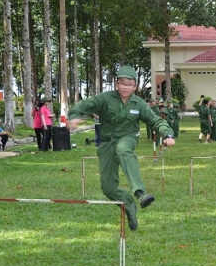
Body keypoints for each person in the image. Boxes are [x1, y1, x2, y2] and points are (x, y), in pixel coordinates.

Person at [67, 65, 175, 231]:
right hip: (106, 142)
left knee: (123, 149)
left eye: (130, 84)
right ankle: (128, 204)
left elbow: (155, 121)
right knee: (108, 188)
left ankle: (140, 192)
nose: (126, 87)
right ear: (117, 83)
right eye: (123, 83)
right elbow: (85, 105)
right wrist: (74, 117)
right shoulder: (105, 98)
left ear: (135, 86)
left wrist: (167, 134)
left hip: (128, 137)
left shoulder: (138, 104)